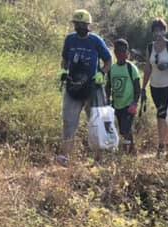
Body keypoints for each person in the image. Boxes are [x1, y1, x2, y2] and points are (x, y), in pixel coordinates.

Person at [57, 9, 111, 166]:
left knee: (95, 122)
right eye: (77, 24)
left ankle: (99, 159)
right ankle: (65, 157)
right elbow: (64, 59)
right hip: (73, 87)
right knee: (69, 122)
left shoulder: (96, 41)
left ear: (88, 25)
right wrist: (63, 71)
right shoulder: (69, 40)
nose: (79, 27)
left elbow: (108, 60)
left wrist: (101, 73)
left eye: (82, 24)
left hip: (92, 88)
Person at [141, 18, 168, 155]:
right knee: (163, 116)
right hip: (154, 87)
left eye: (161, 30)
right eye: (156, 30)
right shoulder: (150, 47)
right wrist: (143, 88)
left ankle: (161, 146)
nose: (158, 33)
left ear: (165, 31)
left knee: (160, 115)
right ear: (153, 32)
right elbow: (147, 68)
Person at [107, 38, 141, 153]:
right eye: (118, 51)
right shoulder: (112, 69)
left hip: (129, 104)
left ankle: (126, 152)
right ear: (115, 53)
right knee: (122, 129)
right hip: (117, 105)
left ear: (127, 53)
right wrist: (107, 101)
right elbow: (108, 86)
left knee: (126, 128)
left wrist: (134, 103)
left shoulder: (131, 68)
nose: (121, 54)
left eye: (123, 51)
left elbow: (137, 88)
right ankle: (132, 150)